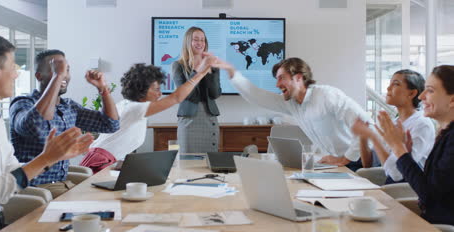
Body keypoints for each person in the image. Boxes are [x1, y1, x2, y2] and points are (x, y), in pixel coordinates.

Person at [0, 35, 94, 232]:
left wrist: (53, 158)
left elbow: (11, 171)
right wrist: (45, 159)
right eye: (13, 69)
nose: (16, 75)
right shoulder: (20, 104)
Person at [213, 57, 372, 170]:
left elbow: (366, 124)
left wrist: (346, 158)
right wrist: (232, 72)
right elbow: (258, 96)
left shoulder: (327, 96)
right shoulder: (292, 104)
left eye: (281, 78)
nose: (277, 84)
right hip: (336, 165)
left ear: (298, 78)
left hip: (359, 162)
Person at [9, 50, 120, 198]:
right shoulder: (23, 103)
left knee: (114, 198)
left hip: (63, 185)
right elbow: (36, 125)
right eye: (55, 69)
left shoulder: (69, 107)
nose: (63, 74)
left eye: (66, 70)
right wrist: (58, 76)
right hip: (35, 190)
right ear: (38, 76)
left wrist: (103, 89)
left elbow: (110, 124)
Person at [80, 56, 216, 173]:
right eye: (156, 89)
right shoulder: (135, 108)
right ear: (142, 89)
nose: (160, 94)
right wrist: (200, 73)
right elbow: (175, 98)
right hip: (99, 164)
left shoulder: (128, 106)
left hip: (106, 162)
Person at [376, 65, 454, 225]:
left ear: (452, 100)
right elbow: (429, 189)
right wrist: (405, 154)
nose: (421, 96)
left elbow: (429, 196)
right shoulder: (445, 134)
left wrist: (399, 149)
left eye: (430, 91)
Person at [352, 70, 435, 184]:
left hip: (408, 188)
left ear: (411, 94)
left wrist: (373, 137)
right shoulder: (394, 122)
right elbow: (369, 164)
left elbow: (398, 174)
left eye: (395, 84)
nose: (388, 88)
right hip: (391, 182)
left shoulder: (422, 124)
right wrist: (363, 137)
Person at [172, 27, 222, 153]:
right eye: (196, 40)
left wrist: (212, 70)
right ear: (188, 42)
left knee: (209, 162)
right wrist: (197, 70)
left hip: (209, 117)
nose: (200, 43)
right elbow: (188, 94)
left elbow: (215, 93)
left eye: (202, 40)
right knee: (187, 163)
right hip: (189, 121)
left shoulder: (211, 64)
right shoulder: (178, 65)